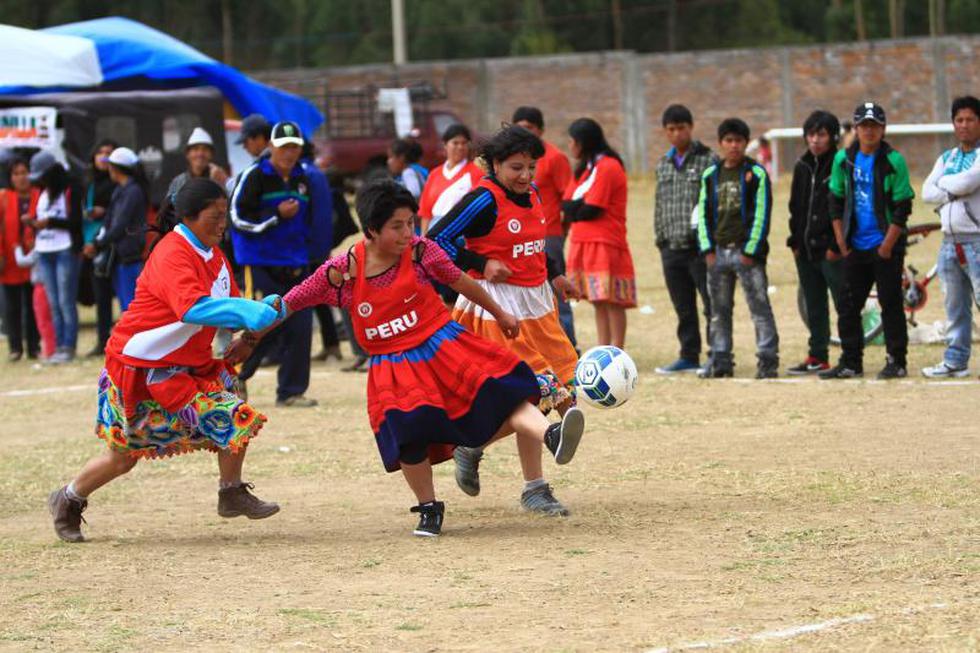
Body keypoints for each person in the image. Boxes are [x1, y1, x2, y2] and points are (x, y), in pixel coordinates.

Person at [281, 180, 586, 536]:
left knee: (505, 391)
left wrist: (500, 313)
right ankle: (428, 508)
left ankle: (552, 435)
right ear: (371, 229)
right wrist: (251, 333)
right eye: (397, 226)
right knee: (409, 435)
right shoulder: (343, 272)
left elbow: (461, 282)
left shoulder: (421, 252)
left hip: (444, 346)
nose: (408, 232)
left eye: (411, 223)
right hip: (393, 365)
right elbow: (293, 299)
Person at [46, 179, 285, 543]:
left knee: (237, 414)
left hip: (186, 367)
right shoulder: (171, 252)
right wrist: (250, 311)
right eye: (215, 216)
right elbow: (191, 307)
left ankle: (230, 491)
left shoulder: (215, 257)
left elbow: (229, 310)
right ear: (188, 216)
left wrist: (249, 337)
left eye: (225, 215)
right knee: (123, 458)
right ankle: (67, 498)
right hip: (139, 369)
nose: (223, 223)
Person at [429, 126, 582, 516]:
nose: (526, 175)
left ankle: (474, 445)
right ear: (495, 164)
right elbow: (434, 241)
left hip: (538, 306)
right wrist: (480, 263)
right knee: (533, 391)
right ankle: (535, 487)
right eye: (517, 167)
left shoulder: (531, 194)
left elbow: (532, 246)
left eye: (531, 166)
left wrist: (556, 274)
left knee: (561, 391)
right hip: (497, 308)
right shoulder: (483, 199)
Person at [820, 102, 915, 380]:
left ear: (883, 129)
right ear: (856, 128)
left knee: (891, 303)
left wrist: (887, 245)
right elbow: (835, 201)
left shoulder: (893, 160)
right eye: (864, 125)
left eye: (874, 126)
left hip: (885, 247)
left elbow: (902, 206)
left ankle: (896, 361)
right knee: (848, 305)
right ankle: (851, 361)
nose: (869, 131)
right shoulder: (843, 160)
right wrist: (842, 242)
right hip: (855, 246)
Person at [230, 121, 316, 407]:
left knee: (301, 327)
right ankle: (235, 377)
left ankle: (291, 391)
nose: (290, 153)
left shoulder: (303, 178)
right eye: (284, 147)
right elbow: (237, 218)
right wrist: (275, 216)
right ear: (271, 147)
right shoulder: (254, 175)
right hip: (261, 263)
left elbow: (308, 220)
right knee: (259, 325)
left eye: (295, 147)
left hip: (296, 264)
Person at [696, 118, 779, 379]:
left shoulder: (756, 174)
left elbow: (762, 214)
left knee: (759, 308)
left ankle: (767, 360)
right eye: (728, 141)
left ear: (746, 143)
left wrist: (750, 251)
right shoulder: (711, 175)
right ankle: (720, 359)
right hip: (717, 252)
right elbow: (702, 214)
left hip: (746, 253)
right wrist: (707, 248)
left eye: (739, 141)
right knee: (718, 311)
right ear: (720, 143)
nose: (733, 146)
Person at [563, 117, 636, 348]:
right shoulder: (585, 170)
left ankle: (617, 348)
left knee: (612, 298)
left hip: (605, 241)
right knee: (597, 299)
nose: (570, 146)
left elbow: (591, 210)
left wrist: (576, 209)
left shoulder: (608, 166)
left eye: (572, 141)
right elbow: (567, 203)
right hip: (583, 240)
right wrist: (576, 208)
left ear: (583, 142)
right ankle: (603, 346)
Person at [921, 95, 980, 378]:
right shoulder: (947, 158)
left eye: (970, 119)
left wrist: (946, 186)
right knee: (955, 307)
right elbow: (925, 192)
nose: (964, 125)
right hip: (949, 243)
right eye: (959, 120)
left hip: (977, 241)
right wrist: (952, 188)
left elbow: (969, 181)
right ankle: (955, 360)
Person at [653, 104, 715, 374]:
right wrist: (661, 238)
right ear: (665, 132)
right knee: (683, 307)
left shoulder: (708, 160)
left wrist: (710, 241)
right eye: (671, 129)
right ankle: (689, 355)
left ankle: (717, 354)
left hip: (699, 247)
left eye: (681, 128)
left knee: (711, 303)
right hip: (671, 247)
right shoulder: (663, 164)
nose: (677, 134)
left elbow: (714, 203)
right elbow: (659, 203)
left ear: (691, 127)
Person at [512, 106, 577, 348]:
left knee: (557, 291)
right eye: (519, 127)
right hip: (518, 239)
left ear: (540, 130)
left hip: (549, 234)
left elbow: (567, 199)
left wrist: (563, 230)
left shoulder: (555, 157)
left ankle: (569, 344)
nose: (523, 132)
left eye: (528, 128)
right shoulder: (513, 160)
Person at [786, 110, 843, 374]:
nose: (815, 140)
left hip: (832, 251)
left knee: (845, 304)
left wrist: (836, 245)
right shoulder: (802, 166)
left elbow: (845, 208)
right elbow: (795, 208)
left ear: (833, 137)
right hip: (805, 250)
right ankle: (818, 356)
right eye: (811, 134)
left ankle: (852, 357)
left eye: (821, 134)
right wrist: (795, 242)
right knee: (814, 305)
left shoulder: (841, 164)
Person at [26, 151, 82, 363]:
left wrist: (50, 222)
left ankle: (69, 346)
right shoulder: (42, 192)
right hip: (44, 251)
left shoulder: (70, 189)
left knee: (66, 300)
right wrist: (32, 222)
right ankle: (58, 346)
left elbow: (76, 222)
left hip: (65, 249)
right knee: (53, 302)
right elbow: (40, 216)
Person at [89, 147, 148, 313]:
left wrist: (99, 243)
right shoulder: (121, 190)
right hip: (119, 255)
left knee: (130, 305)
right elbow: (110, 220)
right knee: (125, 303)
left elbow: (120, 224)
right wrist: (98, 240)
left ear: (116, 168)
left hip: (129, 254)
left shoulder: (132, 192)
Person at [80, 140, 117, 357]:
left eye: (108, 153)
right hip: (91, 243)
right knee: (100, 297)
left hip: (112, 246)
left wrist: (104, 212)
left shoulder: (118, 183)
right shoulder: (89, 183)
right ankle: (103, 340)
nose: (104, 157)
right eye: (100, 152)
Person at [0, 158, 41, 361]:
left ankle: (34, 346)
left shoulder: (39, 195)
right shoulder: (4, 197)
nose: (21, 177)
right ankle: (15, 348)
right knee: (11, 306)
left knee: (34, 304)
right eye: (16, 173)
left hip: (35, 259)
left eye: (24, 172)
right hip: (10, 260)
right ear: (10, 177)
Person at [418, 124, 483, 234]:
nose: (460, 147)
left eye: (464, 143)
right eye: (455, 143)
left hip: (461, 235)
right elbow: (426, 213)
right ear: (445, 145)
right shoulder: (434, 174)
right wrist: (424, 242)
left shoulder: (476, 173)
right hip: (434, 233)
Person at [159, 128, 230, 226]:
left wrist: (223, 183)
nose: (200, 154)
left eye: (205, 149)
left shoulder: (219, 179)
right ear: (188, 154)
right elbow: (168, 213)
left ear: (211, 155)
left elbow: (229, 209)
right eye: (196, 149)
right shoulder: (178, 182)